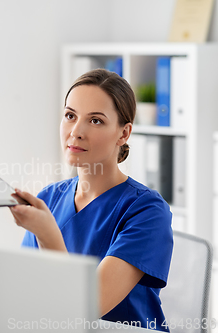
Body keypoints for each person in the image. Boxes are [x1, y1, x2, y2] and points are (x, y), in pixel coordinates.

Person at [11, 69, 173, 331]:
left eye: (95, 121)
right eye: (70, 116)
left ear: (123, 134)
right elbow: (28, 292)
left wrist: (47, 234)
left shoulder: (148, 211)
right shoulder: (49, 199)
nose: (76, 131)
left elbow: (86, 308)